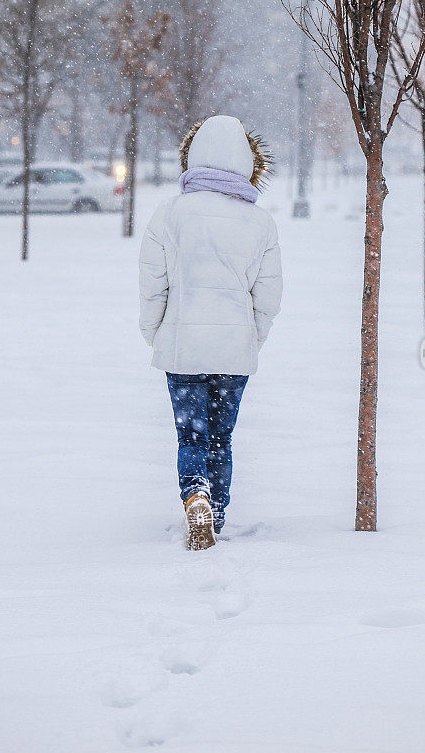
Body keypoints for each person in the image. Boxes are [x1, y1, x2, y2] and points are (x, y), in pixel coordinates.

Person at [138, 115, 283, 551]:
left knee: (192, 435)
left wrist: (155, 333)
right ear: (248, 161)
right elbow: (268, 297)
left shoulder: (169, 214)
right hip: (233, 351)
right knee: (222, 437)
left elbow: (153, 284)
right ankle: (215, 514)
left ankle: (195, 494)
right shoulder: (260, 223)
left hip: (183, 350)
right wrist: (249, 339)